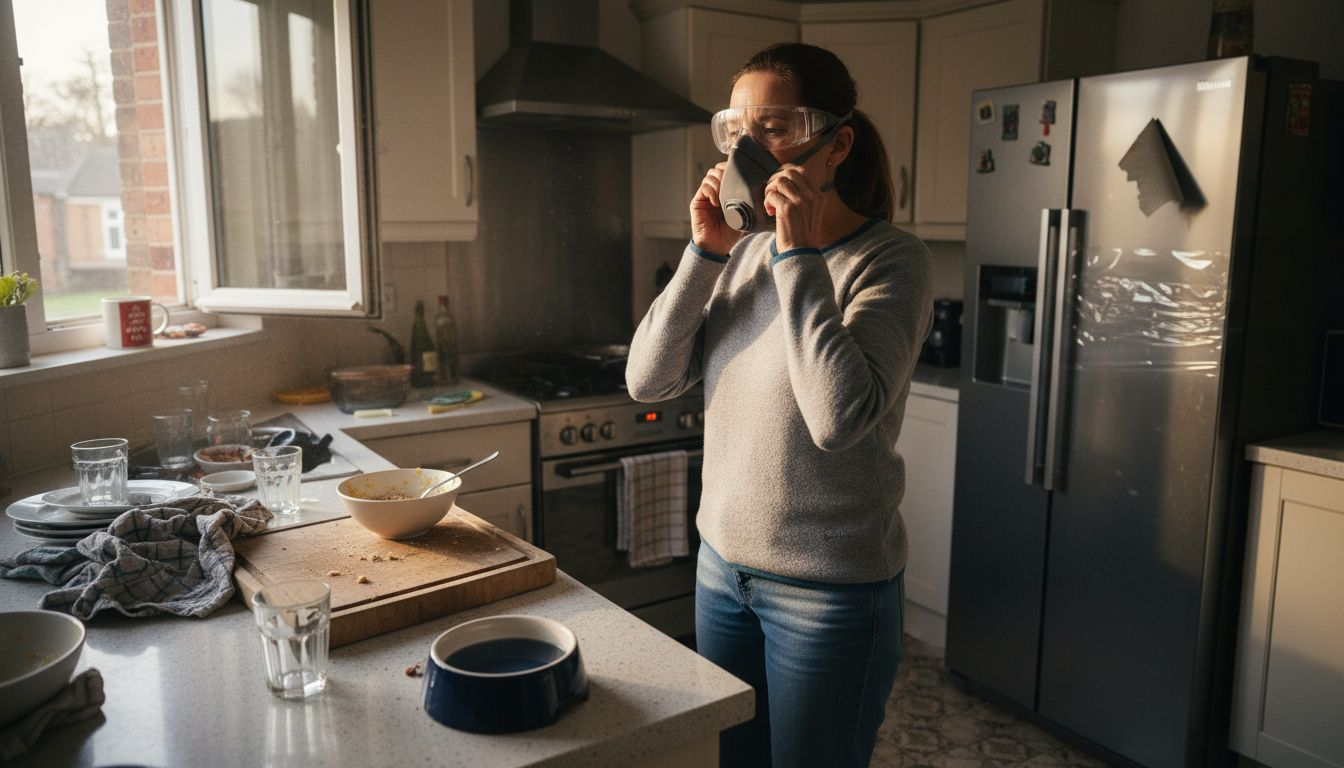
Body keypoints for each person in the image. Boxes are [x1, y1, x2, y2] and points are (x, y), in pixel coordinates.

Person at [625, 42, 933, 768]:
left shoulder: (891, 261)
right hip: (721, 572)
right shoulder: (736, 254)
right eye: (736, 130)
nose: (748, 149)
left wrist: (797, 256)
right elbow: (647, 379)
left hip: (829, 596)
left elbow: (835, 419)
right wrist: (705, 252)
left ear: (836, 145)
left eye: (774, 128)